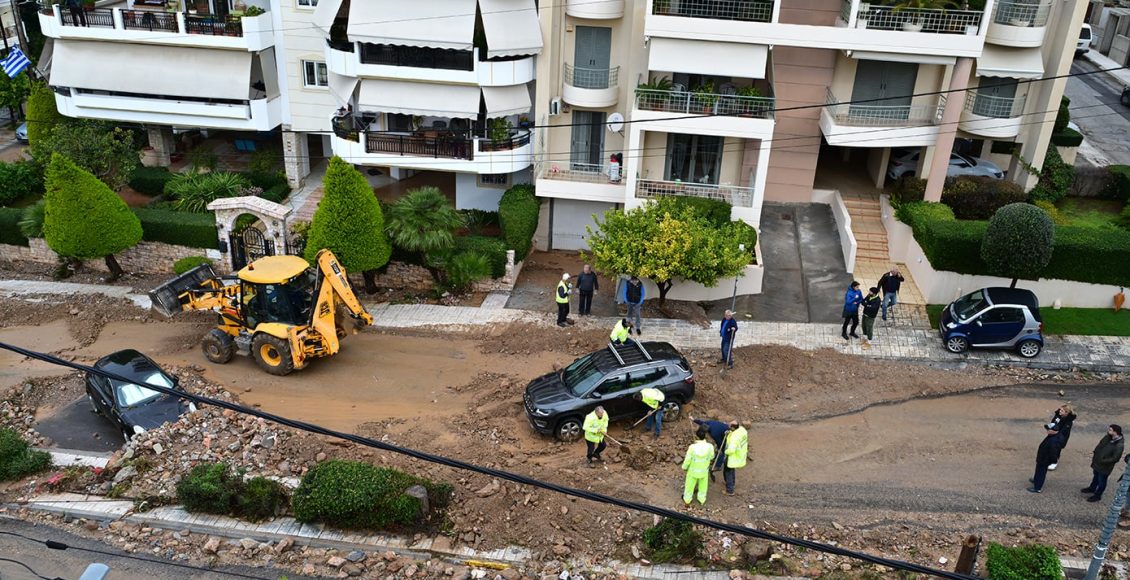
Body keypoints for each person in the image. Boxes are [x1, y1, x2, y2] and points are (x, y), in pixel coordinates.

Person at [1083, 425, 1125, 502]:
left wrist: (1103, 460)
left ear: (1115, 432)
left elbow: (1115, 458)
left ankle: (1098, 495)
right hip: (1097, 463)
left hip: (1105, 466)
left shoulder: (1119, 445)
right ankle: (1092, 488)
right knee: (1096, 476)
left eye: (1110, 430)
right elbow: (1100, 445)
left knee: (1102, 481)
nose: (1108, 431)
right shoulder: (1107, 437)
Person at [682, 427, 716, 508]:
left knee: (689, 486)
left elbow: (688, 459)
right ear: (705, 436)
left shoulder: (692, 447)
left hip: (693, 471)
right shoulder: (710, 446)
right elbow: (712, 457)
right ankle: (701, 500)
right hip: (704, 471)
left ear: (697, 437)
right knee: (703, 487)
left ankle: (687, 500)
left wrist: (684, 467)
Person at [1029, 422, 1065, 493]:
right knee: (1039, 471)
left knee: (1041, 473)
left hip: (1044, 460)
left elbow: (1053, 454)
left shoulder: (1053, 441)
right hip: (1042, 458)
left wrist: (1051, 461)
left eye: (1049, 429)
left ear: (1053, 431)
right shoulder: (1052, 436)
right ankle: (1036, 481)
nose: (1047, 430)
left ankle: (1037, 488)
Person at [691, 415, 730, 479]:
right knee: (718, 448)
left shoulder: (714, 433)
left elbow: (720, 443)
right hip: (722, 428)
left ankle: (718, 466)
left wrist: (720, 449)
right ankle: (716, 459)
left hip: (727, 433)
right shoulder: (708, 423)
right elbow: (701, 422)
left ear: (706, 432)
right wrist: (694, 420)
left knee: (722, 450)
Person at [722, 419, 748, 496]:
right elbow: (735, 433)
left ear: (733, 427)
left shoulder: (734, 438)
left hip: (732, 456)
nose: (728, 427)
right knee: (731, 470)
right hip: (740, 454)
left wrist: (725, 451)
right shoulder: (742, 430)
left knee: (728, 472)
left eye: (730, 426)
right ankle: (731, 483)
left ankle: (730, 490)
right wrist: (729, 433)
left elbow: (731, 450)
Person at [1047, 403, 1077, 471]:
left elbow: (1064, 431)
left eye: (1062, 411)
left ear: (1066, 413)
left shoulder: (1069, 421)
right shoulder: (1058, 416)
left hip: (1061, 438)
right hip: (1053, 434)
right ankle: (1050, 458)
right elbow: (1053, 422)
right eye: (1060, 410)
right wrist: (1049, 427)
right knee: (1050, 447)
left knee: (1056, 449)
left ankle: (1054, 462)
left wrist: (1055, 432)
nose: (1060, 411)